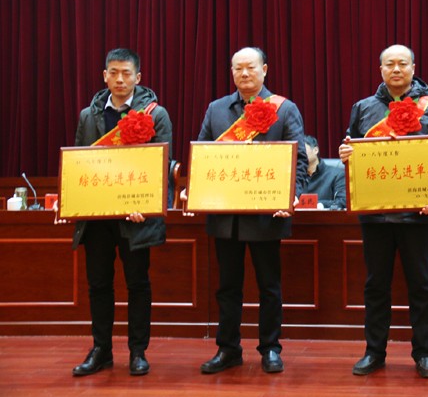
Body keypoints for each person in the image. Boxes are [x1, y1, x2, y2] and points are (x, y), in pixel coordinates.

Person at [338, 44, 428, 379]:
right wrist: (346, 154)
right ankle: (374, 352)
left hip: (418, 214)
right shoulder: (363, 108)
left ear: (414, 67)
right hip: (375, 214)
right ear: (381, 70)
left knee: (421, 286)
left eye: (403, 63)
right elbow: (353, 152)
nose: (397, 69)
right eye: (390, 64)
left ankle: (424, 353)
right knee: (376, 286)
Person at [193, 47, 308, 375]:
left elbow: (298, 160)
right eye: (238, 68)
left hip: (266, 214)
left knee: (269, 286)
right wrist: (196, 189)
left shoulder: (284, 109)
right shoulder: (216, 109)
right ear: (232, 72)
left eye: (251, 67)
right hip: (226, 216)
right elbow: (202, 156)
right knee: (227, 287)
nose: (244, 74)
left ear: (264, 70)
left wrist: (292, 196)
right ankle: (228, 348)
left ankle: (270, 348)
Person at [71, 48, 173, 376]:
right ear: (104, 76)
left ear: (137, 77)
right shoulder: (89, 116)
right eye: (113, 72)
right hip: (97, 218)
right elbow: (79, 163)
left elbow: (162, 167)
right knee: (98, 284)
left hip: (136, 218)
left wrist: (148, 204)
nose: (119, 79)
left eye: (126, 73)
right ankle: (101, 349)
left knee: (138, 284)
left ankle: (138, 351)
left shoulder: (155, 114)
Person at [302, 135, 346, 209]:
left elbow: (343, 201)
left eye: (302, 148)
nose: (299, 153)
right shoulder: (295, 176)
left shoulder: (337, 174)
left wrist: (319, 205)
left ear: (315, 150)